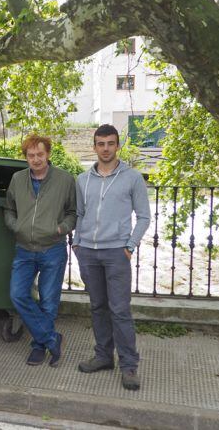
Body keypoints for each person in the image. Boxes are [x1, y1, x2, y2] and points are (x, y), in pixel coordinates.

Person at [74, 124, 151, 391]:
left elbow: (143, 216)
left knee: (119, 310)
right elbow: (81, 214)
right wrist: (77, 243)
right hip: (88, 252)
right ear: (94, 147)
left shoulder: (132, 178)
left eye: (110, 143)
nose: (105, 148)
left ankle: (128, 365)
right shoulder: (83, 180)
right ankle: (104, 356)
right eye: (100, 144)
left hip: (117, 253)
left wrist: (129, 246)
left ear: (117, 145)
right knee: (98, 307)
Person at [4, 134, 76, 367]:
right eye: (31, 155)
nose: (35, 159)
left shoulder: (65, 180)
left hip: (52, 249)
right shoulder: (17, 179)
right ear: (26, 157)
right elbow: (9, 210)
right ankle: (51, 339)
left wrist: (61, 228)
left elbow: (72, 212)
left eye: (40, 155)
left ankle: (38, 346)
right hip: (24, 248)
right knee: (17, 294)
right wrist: (17, 227)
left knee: (48, 302)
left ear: (48, 154)